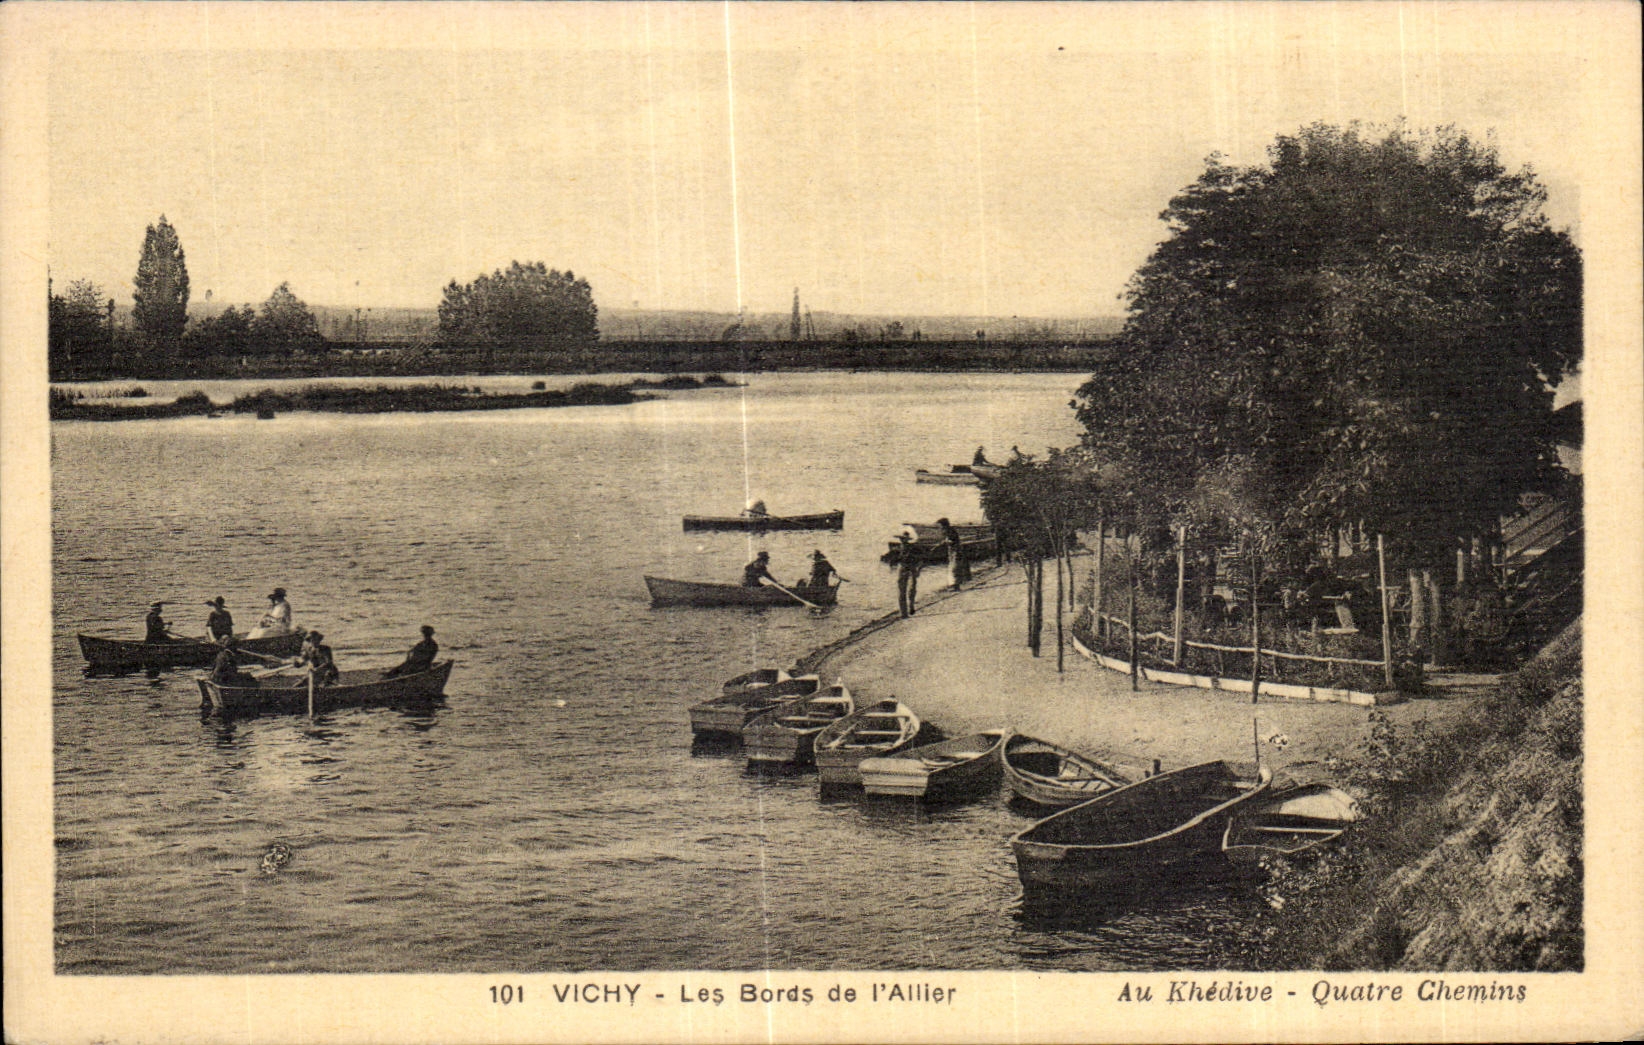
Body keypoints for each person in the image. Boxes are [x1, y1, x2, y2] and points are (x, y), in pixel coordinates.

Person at [896, 527, 922, 618]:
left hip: (910, 569)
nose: (902, 541)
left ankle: (910, 607)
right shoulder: (899, 549)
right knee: (903, 590)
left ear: (907, 539)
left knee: (909, 589)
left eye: (904, 539)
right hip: (904, 569)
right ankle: (904, 612)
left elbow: (920, 560)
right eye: (901, 539)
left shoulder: (912, 548)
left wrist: (918, 569)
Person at [938, 518, 970, 590]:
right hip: (952, 551)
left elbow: (953, 541)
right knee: (952, 567)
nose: (940, 527)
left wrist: (945, 542)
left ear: (944, 525)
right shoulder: (947, 530)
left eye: (940, 525)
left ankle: (955, 586)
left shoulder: (950, 531)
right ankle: (953, 584)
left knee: (954, 567)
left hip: (956, 550)